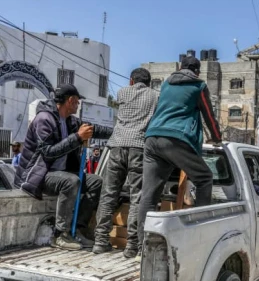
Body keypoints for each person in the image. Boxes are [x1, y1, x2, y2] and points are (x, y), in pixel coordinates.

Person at [137, 56, 222, 259]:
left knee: (149, 196)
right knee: (204, 178)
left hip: (152, 138)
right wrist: (217, 138)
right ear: (197, 72)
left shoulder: (166, 84)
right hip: (176, 138)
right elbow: (208, 115)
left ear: (180, 68)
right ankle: (199, 236)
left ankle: (142, 248)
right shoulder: (199, 86)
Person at [14, 84, 113, 251]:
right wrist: (77, 137)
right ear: (70, 101)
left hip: (60, 175)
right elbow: (48, 152)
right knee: (72, 181)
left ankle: (80, 228)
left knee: (96, 182)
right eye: (77, 102)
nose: (78, 105)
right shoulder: (44, 119)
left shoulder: (72, 121)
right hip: (37, 174)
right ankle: (61, 234)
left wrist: (120, 132)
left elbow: (94, 130)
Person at [93, 68, 159, 257]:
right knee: (136, 196)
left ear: (131, 81)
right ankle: (132, 246)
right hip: (139, 145)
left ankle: (100, 241)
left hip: (117, 145)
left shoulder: (122, 92)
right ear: (149, 82)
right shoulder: (154, 96)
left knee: (108, 194)